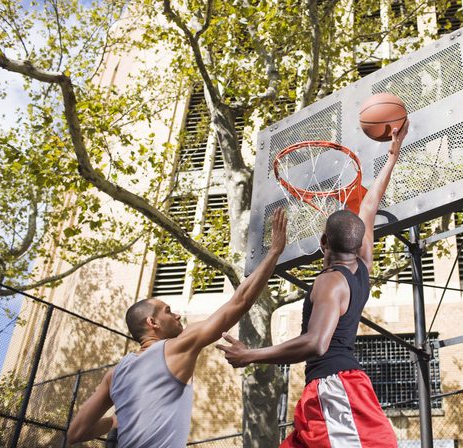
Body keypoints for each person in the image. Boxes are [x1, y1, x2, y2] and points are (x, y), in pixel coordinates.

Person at [217, 122, 409, 448]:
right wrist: (392, 154)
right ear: (361, 241)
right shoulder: (363, 265)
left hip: (334, 389)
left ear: (323, 244)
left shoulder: (330, 282)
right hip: (332, 389)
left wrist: (251, 354)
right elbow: (370, 204)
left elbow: (317, 343)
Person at [66, 209, 288, 447]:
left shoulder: (115, 375)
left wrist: (114, 421)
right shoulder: (175, 348)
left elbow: (76, 433)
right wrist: (274, 252)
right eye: (168, 311)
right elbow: (240, 302)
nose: (178, 314)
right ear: (152, 323)